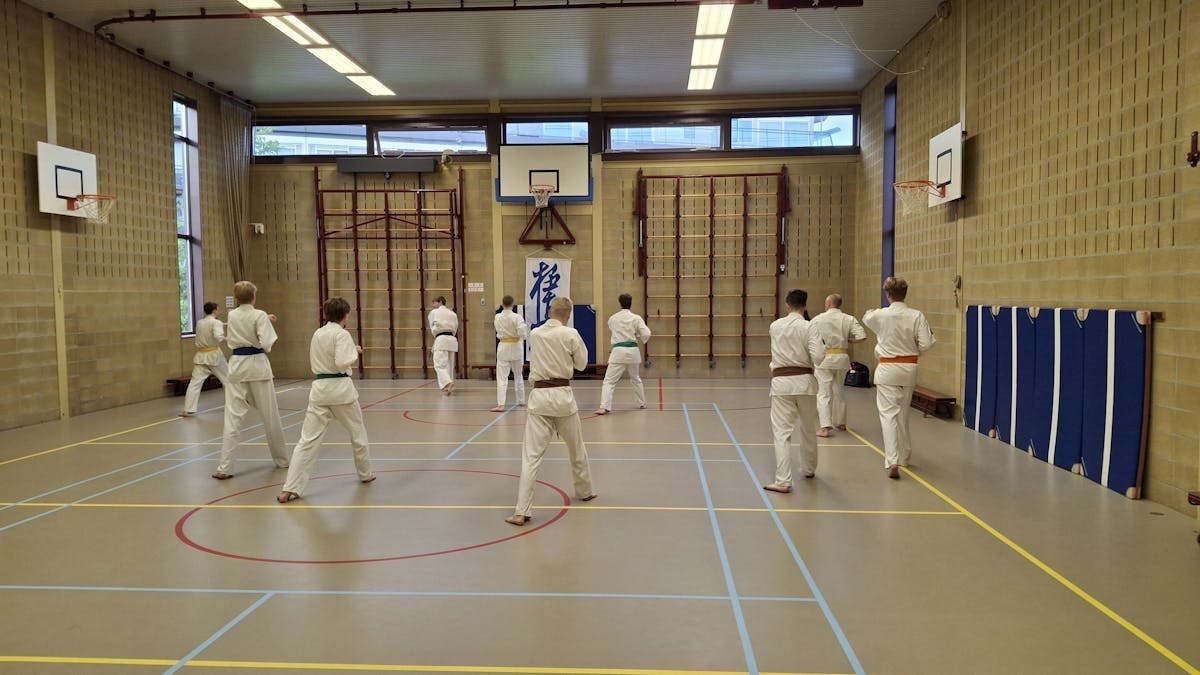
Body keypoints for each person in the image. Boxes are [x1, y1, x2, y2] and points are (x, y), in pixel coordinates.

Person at [506, 296, 597, 526]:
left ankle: (521, 511)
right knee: (577, 449)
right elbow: (581, 364)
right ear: (568, 315)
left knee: (531, 457)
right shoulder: (571, 334)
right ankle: (585, 491)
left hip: (540, 399)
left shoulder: (536, 333)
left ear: (549, 311)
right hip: (563, 398)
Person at [278, 297, 374, 503]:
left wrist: (350, 350)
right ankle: (365, 473)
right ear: (345, 315)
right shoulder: (342, 334)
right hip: (341, 391)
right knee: (357, 433)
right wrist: (354, 352)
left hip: (320, 391)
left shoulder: (318, 333)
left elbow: (328, 357)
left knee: (307, 441)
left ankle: (290, 488)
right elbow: (341, 362)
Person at [213, 281, 290, 480]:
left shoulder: (232, 315)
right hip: (257, 366)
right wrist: (265, 321)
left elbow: (245, 321)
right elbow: (266, 342)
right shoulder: (259, 315)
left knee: (233, 418)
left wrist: (265, 319)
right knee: (270, 416)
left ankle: (224, 467)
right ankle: (282, 460)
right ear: (254, 297)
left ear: (236, 298)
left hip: (237, 366)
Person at [862, 277, 936, 479]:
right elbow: (927, 343)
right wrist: (913, 351)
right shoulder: (916, 315)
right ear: (905, 294)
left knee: (888, 415)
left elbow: (867, 318)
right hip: (909, 367)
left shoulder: (880, 315)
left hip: (887, 368)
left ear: (888, 294)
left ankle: (892, 460)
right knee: (903, 414)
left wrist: (870, 312)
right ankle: (904, 456)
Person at [762, 289, 826, 493]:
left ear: (787, 305)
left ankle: (783, 480)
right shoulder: (810, 326)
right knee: (808, 428)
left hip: (781, 384)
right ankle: (808, 469)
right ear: (805, 306)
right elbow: (819, 357)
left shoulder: (775, 326)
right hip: (805, 383)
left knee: (781, 433)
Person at [809, 293, 867, 437]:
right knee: (839, 391)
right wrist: (849, 341)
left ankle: (825, 427)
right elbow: (862, 336)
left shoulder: (818, 319)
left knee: (824, 393)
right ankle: (840, 423)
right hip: (842, 357)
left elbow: (809, 337)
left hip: (825, 358)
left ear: (829, 304)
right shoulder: (848, 318)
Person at [595, 293, 651, 415]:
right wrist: (638, 335)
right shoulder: (636, 318)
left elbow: (613, 329)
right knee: (635, 378)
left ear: (620, 303)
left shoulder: (613, 318)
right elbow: (646, 334)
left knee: (609, 381)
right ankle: (642, 403)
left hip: (619, 352)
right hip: (633, 352)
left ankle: (604, 407)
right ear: (631, 303)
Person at [180, 301, 230, 417]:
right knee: (228, 380)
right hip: (214, 355)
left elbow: (210, 328)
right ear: (214, 310)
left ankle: (188, 409)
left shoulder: (200, 322)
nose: (219, 311)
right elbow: (219, 337)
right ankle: (232, 405)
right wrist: (229, 338)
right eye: (218, 309)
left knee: (195, 383)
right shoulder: (216, 323)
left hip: (201, 355)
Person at [491, 295, 527, 412]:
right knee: (518, 375)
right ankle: (521, 400)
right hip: (516, 347)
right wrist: (518, 337)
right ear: (513, 304)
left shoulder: (498, 317)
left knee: (502, 377)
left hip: (503, 347)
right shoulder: (517, 317)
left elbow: (497, 329)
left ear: (502, 304)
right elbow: (522, 333)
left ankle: (501, 404)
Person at [428, 296, 459, 396]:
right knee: (450, 365)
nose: (433, 305)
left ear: (440, 302)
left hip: (441, 339)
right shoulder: (452, 313)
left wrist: (437, 335)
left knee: (439, 365)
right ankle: (449, 387)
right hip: (452, 340)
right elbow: (455, 327)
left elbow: (433, 327)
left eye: (434, 302)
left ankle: (448, 383)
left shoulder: (434, 312)